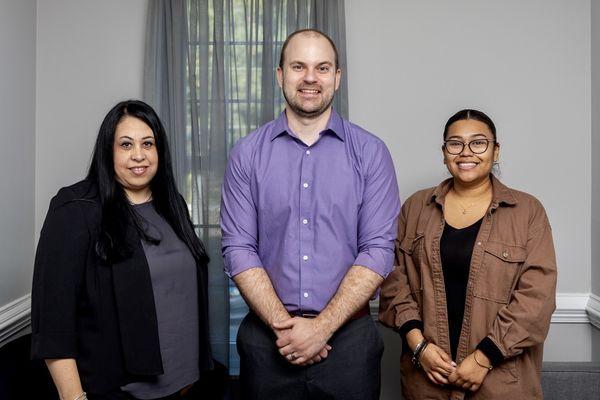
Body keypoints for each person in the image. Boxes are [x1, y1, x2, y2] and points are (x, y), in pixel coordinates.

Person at [220, 29, 400, 400]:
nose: (310, 78)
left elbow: (378, 250)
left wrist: (322, 327)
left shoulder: (371, 153)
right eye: (298, 66)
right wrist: (286, 327)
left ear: (337, 77)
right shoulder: (247, 155)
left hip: (350, 345)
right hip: (267, 343)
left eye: (322, 67)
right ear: (280, 74)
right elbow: (238, 248)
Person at [31, 100, 212, 400]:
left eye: (148, 143)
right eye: (125, 144)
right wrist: (73, 397)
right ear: (108, 150)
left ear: (159, 150)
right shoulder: (76, 209)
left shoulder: (173, 204)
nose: (138, 155)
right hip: (117, 391)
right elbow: (53, 320)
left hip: (184, 385)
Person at [379, 109, 557, 399]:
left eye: (478, 142)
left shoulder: (528, 212)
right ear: (444, 151)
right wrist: (419, 346)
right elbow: (393, 282)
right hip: (426, 381)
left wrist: (483, 357)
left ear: (495, 150)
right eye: (455, 143)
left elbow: (537, 298)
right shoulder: (414, 208)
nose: (466, 152)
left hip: (501, 383)